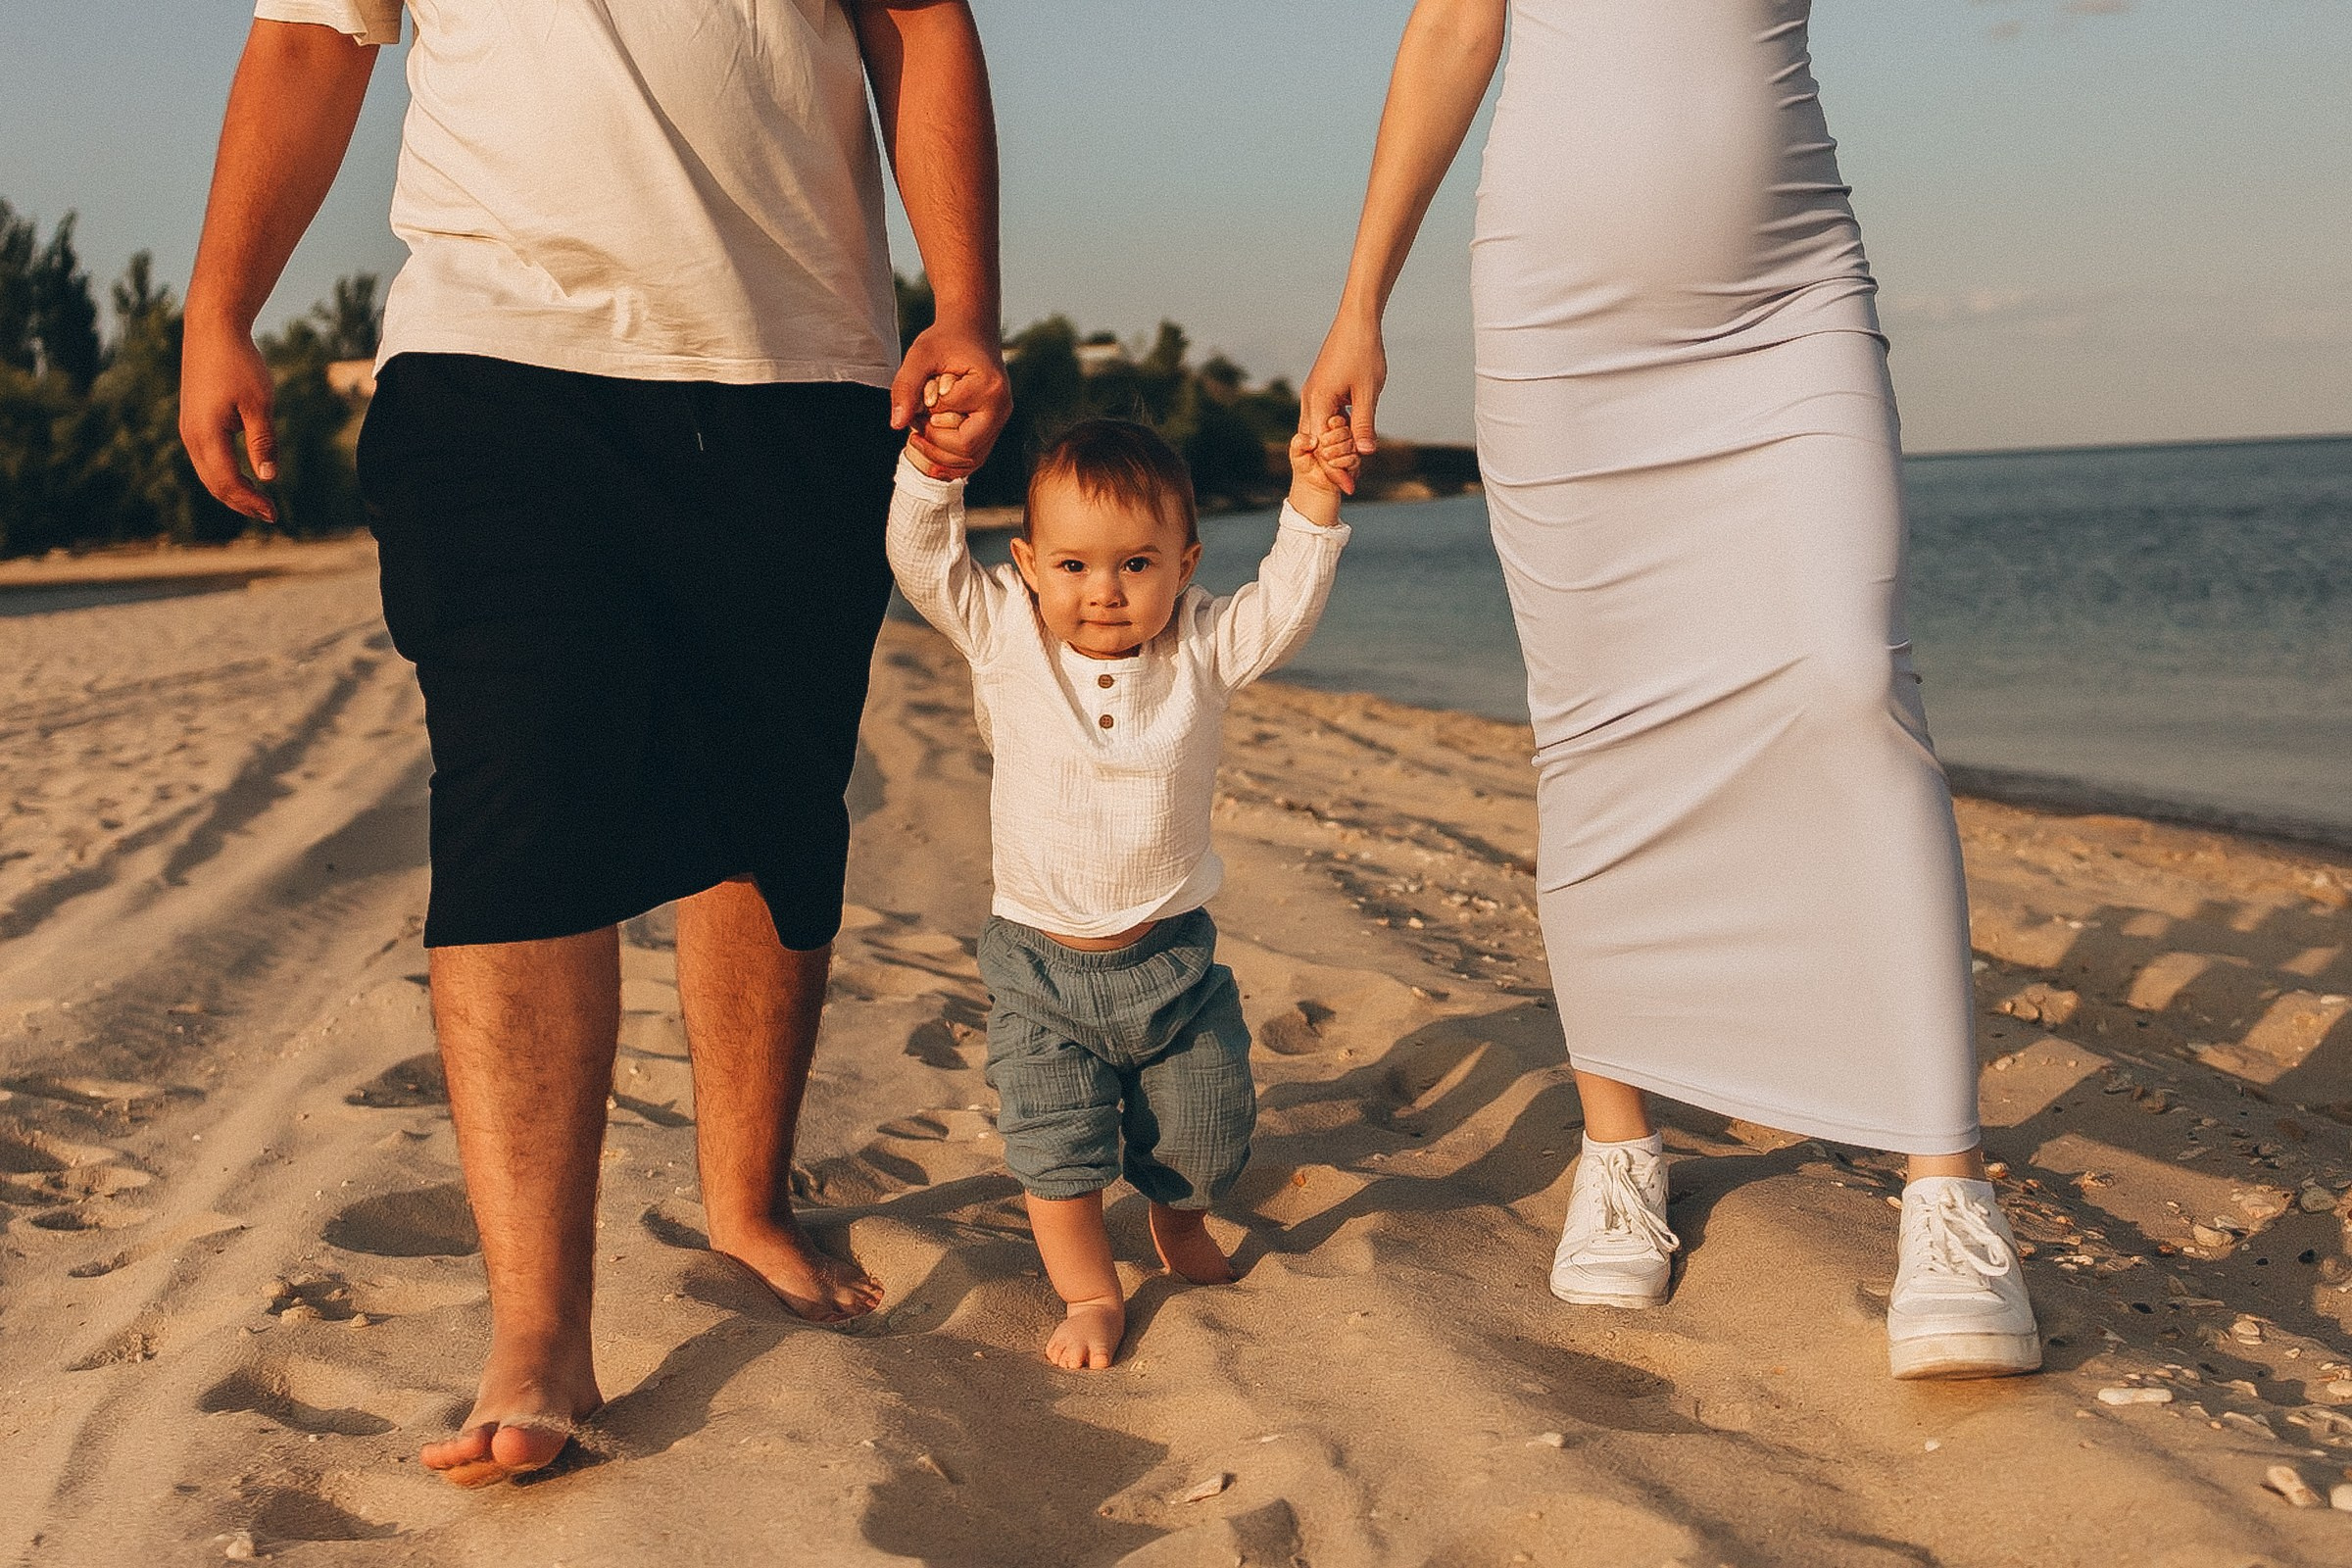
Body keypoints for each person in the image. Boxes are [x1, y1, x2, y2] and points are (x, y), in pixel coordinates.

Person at [179, 1, 1010, 1486]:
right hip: (496, 362)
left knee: (771, 804)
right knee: (522, 807)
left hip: (802, 367)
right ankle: (538, 1330)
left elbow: (918, 21)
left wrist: (964, 299)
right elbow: (314, 37)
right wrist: (219, 309)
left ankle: (747, 1202)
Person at [1300, 0, 2039, 1380]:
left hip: (1787, 293)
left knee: (1847, 673)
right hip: (1556, 321)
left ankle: (1949, 1192)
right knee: (1596, 722)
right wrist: (1361, 307)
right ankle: (1620, 1146)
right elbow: (1457, 26)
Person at [887, 409, 1359, 1369]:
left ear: (1184, 567)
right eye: (1073, 565)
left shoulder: (1202, 649)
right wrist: (930, 470)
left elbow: (1286, 602)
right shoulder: (1005, 638)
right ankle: (1091, 1291)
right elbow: (923, 561)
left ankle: (1177, 1226)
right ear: (1025, 562)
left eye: (1136, 565)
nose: (1104, 591)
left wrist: (1313, 491)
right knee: (1055, 1150)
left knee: (1207, 1132)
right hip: (1039, 976)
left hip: (1174, 965)